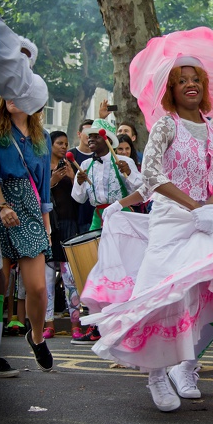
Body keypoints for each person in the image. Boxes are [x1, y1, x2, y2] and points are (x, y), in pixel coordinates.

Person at [79, 26, 213, 413]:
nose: (189, 85)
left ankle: (187, 367)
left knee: (210, 298)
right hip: (172, 221)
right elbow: (153, 176)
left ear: (204, 87)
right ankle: (156, 374)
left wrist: (210, 207)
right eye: (181, 81)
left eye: (195, 80)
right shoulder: (165, 126)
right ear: (170, 90)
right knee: (161, 298)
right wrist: (188, 207)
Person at [0, 15, 51, 424]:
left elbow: (44, 183)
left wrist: (45, 218)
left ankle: (35, 336)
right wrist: (0, 204)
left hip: (31, 210)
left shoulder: (41, 136)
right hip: (1, 204)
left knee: (36, 287)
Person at [70, 118, 143, 344]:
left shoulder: (123, 160)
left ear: (107, 139)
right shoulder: (87, 166)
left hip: (121, 218)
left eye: (95, 136)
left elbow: (142, 188)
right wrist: (80, 181)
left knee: (125, 272)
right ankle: (99, 326)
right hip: (98, 219)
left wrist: (129, 173)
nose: (90, 139)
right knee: (99, 273)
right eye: (88, 136)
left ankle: (128, 323)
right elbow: (78, 198)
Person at [43, 131, 84, 341]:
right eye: (59, 143)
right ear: (49, 144)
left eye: (66, 144)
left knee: (70, 279)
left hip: (69, 225)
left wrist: (71, 176)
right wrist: (51, 180)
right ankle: (48, 323)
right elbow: (38, 194)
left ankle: (75, 324)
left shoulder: (72, 167)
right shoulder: (42, 168)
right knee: (47, 279)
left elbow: (82, 195)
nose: (63, 147)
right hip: (49, 225)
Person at [66, 118, 95, 234]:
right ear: (79, 134)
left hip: (97, 212)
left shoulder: (99, 155)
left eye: (93, 133)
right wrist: (75, 179)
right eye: (87, 133)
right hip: (78, 214)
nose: (90, 136)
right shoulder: (70, 155)